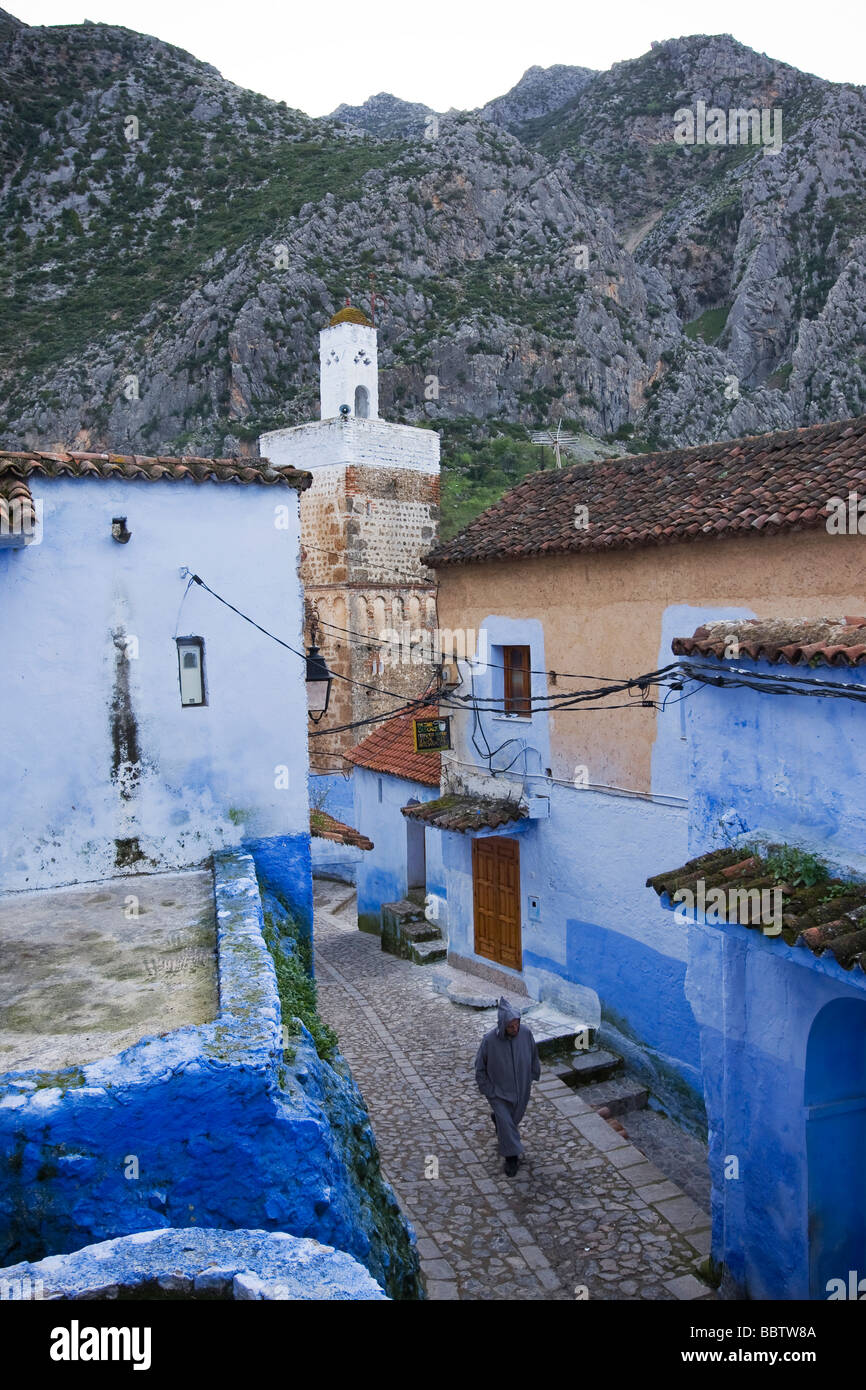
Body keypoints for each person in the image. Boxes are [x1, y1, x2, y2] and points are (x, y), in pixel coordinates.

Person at [474, 996, 541, 1175]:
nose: (515, 1029)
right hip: (498, 1093)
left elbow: (533, 1054)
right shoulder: (489, 1041)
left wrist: (533, 1074)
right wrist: (489, 1091)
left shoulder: (525, 1033)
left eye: (517, 1024)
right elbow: (480, 1068)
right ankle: (511, 1157)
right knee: (507, 1123)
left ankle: (499, 1121)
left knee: (512, 1120)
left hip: (521, 1089)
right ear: (503, 1025)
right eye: (511, 1026)